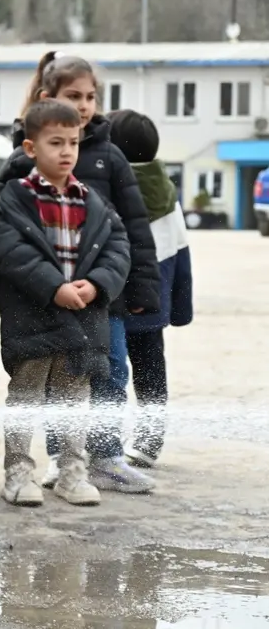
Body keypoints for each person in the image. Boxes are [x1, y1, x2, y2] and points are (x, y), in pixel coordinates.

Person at [0, 51, 161, 495]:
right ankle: (36, 467)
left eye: (91, 96)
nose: (85, 106)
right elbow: (5, 244)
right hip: (38, 310)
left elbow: (127, 235)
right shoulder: (17, 178)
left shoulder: (103, 173)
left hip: (94, 307)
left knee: (95, 383)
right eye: (74, 96)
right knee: (37, 389)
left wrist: (114, 285)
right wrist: (52, 287)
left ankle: (91, 463)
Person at [0, 100, 131, 508]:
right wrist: (53, 287)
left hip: (82, 324)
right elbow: (7, 249)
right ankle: (18, 473)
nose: (67, 151)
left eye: (73, 142)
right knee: (26, 398)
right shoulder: (15, 198)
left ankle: (72, 473)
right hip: (34, 321)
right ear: (31, 149)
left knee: (74, 403)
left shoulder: (93, 202)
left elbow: (118, 249)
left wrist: (97, 285)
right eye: (56, 143)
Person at [107, 109, 193, 469]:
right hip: (154, 305)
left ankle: (103, 440)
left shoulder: (111, 186)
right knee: (151, 372)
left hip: (112, 302)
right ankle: (150, 439)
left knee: (110, 374)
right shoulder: (168, 194)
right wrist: (180, 310)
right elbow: (181, 251)